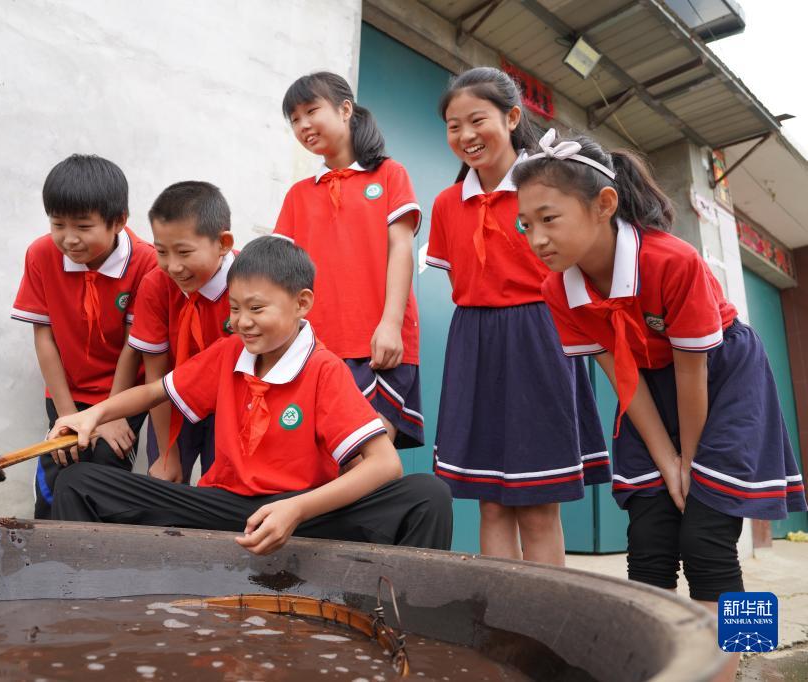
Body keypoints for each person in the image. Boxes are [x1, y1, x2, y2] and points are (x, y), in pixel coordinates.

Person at [514, 129, 807, 681]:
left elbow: (693, 370)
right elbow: (620, 376)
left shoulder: (673, 260)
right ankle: (654, 668)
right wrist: (665, 460)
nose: (537, 238)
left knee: (707, 539)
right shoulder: (557, 290)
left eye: (549, 218)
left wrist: (689, 463)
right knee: (649, 541)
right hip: (646, 389)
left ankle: (735, 668)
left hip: (721, 380)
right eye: (525, 224)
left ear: (604, 204)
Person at [48, 236, 453, 554]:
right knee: (79, 482)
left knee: (427, 495)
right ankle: (81, 601)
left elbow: (385, 464)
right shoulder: (229, 353)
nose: (242, 322)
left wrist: (297, 508)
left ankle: (403, 619)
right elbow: (156, 391)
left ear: (302, 303)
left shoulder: (323, 368)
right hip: (221, 506)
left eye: (257, 309)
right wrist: (92, 415)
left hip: (301, 513)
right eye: (235, 308)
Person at [426, 68, 609, 566]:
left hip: (540, 338)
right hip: (474, 343)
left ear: (511, 117)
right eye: (453, 126)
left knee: (538, 504)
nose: (465, 135)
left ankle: (546, 611)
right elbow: (461, 281)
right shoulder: (446, 204)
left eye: (477, 120)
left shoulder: (545, 187)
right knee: (490, 502)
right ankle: (502, 611)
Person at [275, 72, 424, 454]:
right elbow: (280, 275)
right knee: (318, 464)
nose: (303, 125)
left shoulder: (390, 174)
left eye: (311, 111)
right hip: (313, 349)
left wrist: (391, 324)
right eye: (294, 119)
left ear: (345, 110)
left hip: (378, 346)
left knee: (367, 461)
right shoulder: (297, 195)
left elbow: (401, 250)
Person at [11, 154, 158, 518]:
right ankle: (48, 549)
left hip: (123, 394)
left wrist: (110, 414)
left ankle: (101, 553)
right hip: (67, 392)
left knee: (106, 468)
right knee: (59, 466)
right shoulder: (41, 254)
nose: (69, 239)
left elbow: (134, 345)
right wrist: (66, 415)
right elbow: (44, 338)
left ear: (118, 221)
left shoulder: (145, 262)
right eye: (58, 224)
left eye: (83, 226)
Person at [127, 181, 234, 484]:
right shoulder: (156, 285)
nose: (173, 266)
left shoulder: (250, 282)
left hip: (234, 407)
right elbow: (156, 372)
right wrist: (166, 452)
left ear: (223, 243)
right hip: (172, 401)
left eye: (184, 252)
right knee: (163, 486)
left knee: (225, 490)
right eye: (162, 251)